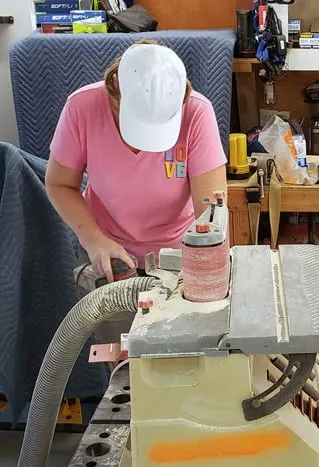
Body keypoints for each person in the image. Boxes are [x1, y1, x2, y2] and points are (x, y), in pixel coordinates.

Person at [45, 40, 227, 343]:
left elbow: (210, 215)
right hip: (112, 259)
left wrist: (211, 275)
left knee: (186, 355)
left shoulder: (196, 113)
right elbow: (59, 183)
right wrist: (94, 241)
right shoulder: (83, 108)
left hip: (179, 257)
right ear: (116, 88)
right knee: (125, 366)